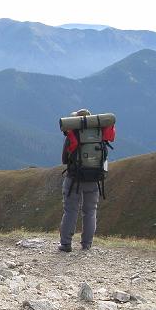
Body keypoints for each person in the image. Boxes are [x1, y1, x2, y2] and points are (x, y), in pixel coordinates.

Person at [59, 108, 99, 252]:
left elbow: (64, 159)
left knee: (71, 210)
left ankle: (66, 244)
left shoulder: (73, 134)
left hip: (74, 179)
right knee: (90, 211)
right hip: (93, 178)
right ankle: (86, 244)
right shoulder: (97, 134)